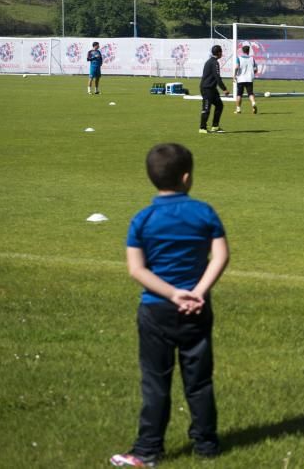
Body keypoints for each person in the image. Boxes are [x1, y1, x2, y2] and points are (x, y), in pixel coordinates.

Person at [110, 143, 229, 468]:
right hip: (198, 308)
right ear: (187, 178)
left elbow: (137, 269)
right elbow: (221, 255)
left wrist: (173, 294)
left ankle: (148, 450)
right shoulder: (204, 212)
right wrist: (198, 291)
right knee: (200, 381)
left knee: (155, 381)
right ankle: (207, 445)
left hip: (156, 309)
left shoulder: (143, 219)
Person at [199, 45, 228, 134]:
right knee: (206, 108)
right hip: (207, 88)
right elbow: (217, 77)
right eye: (221, 52)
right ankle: (202, 128)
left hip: (212, 88)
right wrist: (224, 89)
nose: (222, 53)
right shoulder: (214, 63)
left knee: (219, 105)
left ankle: (215, 126)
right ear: (219, 53)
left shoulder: (211, 61)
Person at [233, 45, 257, 115]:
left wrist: (234, 75)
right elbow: (255, 69)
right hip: (249, 79)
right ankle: (253, 103)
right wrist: (252, 74)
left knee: (239, 94)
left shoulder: (239, 58)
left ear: (242, 51)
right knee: (250, 93)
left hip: (241, 79)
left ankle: (238, 109)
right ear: (248, 51)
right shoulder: (252, 59)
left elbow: (236, 67)